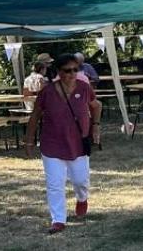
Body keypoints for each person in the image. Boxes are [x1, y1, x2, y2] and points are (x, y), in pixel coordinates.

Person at [23, 54, 101, 234]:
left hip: (78, 143)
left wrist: (95, 127)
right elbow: (35, 116)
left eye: (76, 69)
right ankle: (58, 219)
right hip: (52, 144)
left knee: (80, 181)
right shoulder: (47, 92)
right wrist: (29, 140)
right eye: (68, 70)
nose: (72, 73)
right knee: (55, 184)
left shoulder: (84, 87)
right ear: (59, 72)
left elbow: (96, 106)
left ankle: (82, 199)